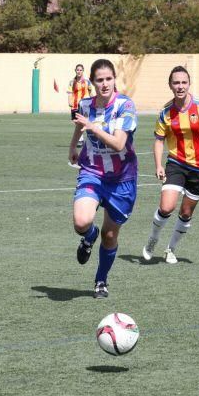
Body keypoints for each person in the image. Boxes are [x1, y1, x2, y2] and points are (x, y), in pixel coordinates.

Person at [69, 59, 138, 298]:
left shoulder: (125, 105)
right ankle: (89, 236)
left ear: (114, 80)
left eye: (109, 79)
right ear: (93, 81)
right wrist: (73, 147)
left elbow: (119, 143)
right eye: (100, 80)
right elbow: (80, 124)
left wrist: (93, 127)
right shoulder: (86, 104)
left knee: (110, 234)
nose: (105, 84)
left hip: (122, 179)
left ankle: (101, 280)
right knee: (81, 221)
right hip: (92, 172)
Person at [142, 66, 199, 264]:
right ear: (170, 85)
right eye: (176, 83)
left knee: (186, 212)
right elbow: (159, 140)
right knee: (166, 207)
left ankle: (170, 248)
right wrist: (158, 165)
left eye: (184, 82)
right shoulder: (166, 113)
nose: (180, 86)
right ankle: (153, 238)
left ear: (189, 84)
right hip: (176, 162)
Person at [67, 63, 93, 145]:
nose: (79, 71)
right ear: (75, 71)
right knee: (76, 122)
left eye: (80, 70)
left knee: (85, 121)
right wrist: (69, 101)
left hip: (85, 104)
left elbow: (90, 91)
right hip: (75, 104)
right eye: (77, 70)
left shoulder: (87, 82)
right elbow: (69, 92)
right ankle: (81, 140)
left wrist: (93, 100)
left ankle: (90, 138)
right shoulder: (72, 82)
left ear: (83, 71)